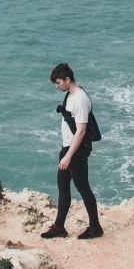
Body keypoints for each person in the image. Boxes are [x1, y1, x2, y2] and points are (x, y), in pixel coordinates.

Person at [43, 63, 102, 239]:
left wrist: (68, 156)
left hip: (76, 151)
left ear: (67, 80)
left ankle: (95, 228)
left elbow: (82, 131)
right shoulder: (71, 94)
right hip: (68, 148)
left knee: (83, 188)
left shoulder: (80, 99)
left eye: (58, 82)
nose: (57, 86)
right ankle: (59, 227)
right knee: (63, 186)